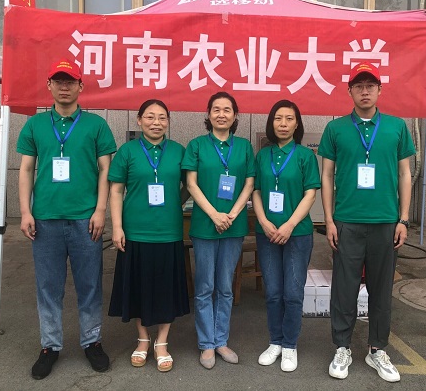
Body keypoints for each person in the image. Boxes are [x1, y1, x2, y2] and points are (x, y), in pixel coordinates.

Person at [17, 58, 117, 380]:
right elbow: (26, 169)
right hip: (45, 219)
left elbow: (106, 169)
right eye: (58, 81)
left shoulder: (96, 125)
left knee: (90, 284)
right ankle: (50, 346)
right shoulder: (35, 125)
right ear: (49, 85)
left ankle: (92, 341)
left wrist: (100, 210)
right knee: (48, 286)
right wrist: (25, 211)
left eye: (70, 81)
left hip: (86, 220)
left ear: (80, 86)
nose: (64, 86)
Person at [318, 62, 416, 383]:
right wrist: (329, 220)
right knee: (344, 288)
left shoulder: (396, 127)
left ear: (379, 90)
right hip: (347, 221)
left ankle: (377, 349)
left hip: (386, 222)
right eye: (358, 86)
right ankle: (342, 347)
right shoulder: (335, 129)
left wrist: (403, 219)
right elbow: (327, 176)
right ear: (349, 91)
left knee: (381, 289)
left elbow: (405, 174)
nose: (364, 91)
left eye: (370, 85)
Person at [108, 99, 190, 373]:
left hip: (169, 232)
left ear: (168, 121)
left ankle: (162, 342)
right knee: (138, 287)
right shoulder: (127, 151)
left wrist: (175, 203)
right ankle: (143, 339)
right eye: (150, 117)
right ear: (139, 120)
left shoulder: (178, 151)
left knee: (166, 289)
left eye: (162, 117)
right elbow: (116, 190)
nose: (157, 122)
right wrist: (117, 227)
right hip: (135, 231)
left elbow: (189, 185)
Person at [181, 91, 255, 369]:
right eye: (216, 109)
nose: (221, 114)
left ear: (235, 116)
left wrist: (232, 214)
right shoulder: (197, 145)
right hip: (205, 225)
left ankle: (221, 339)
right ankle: (206, 343)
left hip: (233, 226)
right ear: (208, 114)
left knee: (225, 286)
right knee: (204, 286)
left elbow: (249, 184)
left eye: (227, 110)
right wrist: (214, 214)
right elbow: (191, 184)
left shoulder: (244, 147)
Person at [252, 100, 321, 372]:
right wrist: (263, 221)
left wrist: (290, 225)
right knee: (272, 292)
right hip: (267, 233)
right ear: (271, 123)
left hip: (298, 234)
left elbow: (310, 194)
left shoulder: (305, 156)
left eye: (289, 119)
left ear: (297, 124)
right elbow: (256, 190)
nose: (283, 123)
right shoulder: (262, 156)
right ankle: (275, 341)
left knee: (292, 293)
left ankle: (290, 345)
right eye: (278, 118)